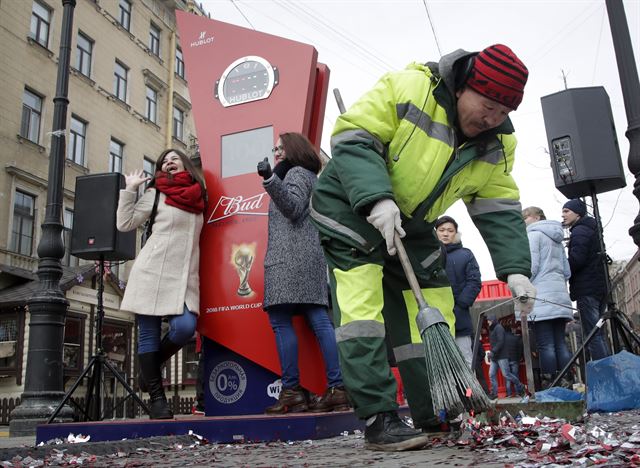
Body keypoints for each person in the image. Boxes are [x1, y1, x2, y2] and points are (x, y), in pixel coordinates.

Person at [310, 44, 536, 451]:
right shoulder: (411, 88)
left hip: (413, 221)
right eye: (487, 105)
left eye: (504, 113)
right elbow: (353, 136)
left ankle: (436, 406)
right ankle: (379, 417)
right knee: (362, 311)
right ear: (465, 86)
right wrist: (376, 197)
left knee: (431, 307)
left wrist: (515, 267)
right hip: (350, 204)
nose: (493, 118)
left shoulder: (498, 145)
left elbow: (498, 203)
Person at [256, 132, 349, 415]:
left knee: (282, 320)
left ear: (294, 149)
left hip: (289, 260)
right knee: (319, 319)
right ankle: (337, 388)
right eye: (275, 148)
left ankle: (294, 392)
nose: (276, 152)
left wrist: (270, 179)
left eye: (281, 147)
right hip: (307, 259)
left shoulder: (295, 174)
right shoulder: (306, 175)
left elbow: (293, 208)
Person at [117, 148, 207, 419]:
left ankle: (150, 369)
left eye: (174, 159)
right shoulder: (156, 193)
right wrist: (130, 190)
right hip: (151, 271)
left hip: (185, 276)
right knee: (148, 334)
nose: (168, 163)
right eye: (164, 161)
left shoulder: (200, 197)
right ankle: (158, 401)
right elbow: (125, 223)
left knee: (184, 328)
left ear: (186, 165)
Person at [522, 206, 574, 387]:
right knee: (560, 343)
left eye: (525, 217)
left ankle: (551, 383)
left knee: (546, 345)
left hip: (541, 297)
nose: (523, 222)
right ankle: (568, 380)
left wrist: (521, 282)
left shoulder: (533, 235)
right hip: (559, 296)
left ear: (536, 217)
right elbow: (567, 271)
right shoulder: (557, 239)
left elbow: (532, 267)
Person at [561, 199, 610, 360]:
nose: (563, 215)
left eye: (567, 211)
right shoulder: (591, 228)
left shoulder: (580, 231)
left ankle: (604, 373)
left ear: (578, 213)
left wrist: (562, 267)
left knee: (592, 334)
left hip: (586, 288)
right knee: (599, 332)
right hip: (598, 286)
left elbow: (577, 260)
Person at [435, 215, 481, 368]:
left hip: (460, 317)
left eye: (450, 230)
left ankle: (469, 393)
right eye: (441, 230)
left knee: (466, 361)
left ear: (456, 233)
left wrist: (461, 304)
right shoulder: (428, 256)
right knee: (440, 365)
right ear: (436, 232)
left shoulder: (466, 255)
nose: (446, 233)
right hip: (435, 317)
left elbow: (474, 281)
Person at [487, 315, 525, 399]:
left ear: (492, 320)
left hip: (501, 356)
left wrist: (493, 351)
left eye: (489, 320)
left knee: (506, 374)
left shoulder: (498, 328)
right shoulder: (494, 329)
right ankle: (494, 393)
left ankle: (520, 386)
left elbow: (501, 341)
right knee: (491, 374)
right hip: (496, 356)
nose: (488, 322)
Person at [503, 326, 523, 397]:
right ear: (510, 330)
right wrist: (519, 357)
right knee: (515, 375)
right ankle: (518, 393)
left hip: (505, 360)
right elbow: (520, 349)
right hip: (515, 359)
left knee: (507, 376)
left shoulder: (502, 339)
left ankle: (509, 393)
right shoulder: (516, 338)